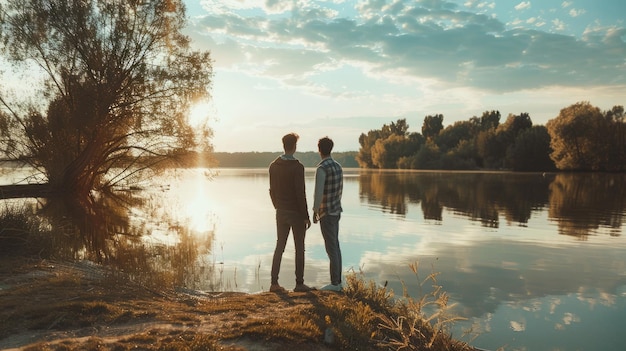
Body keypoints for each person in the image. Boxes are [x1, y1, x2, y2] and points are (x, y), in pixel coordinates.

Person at [268, 133, 312, 293]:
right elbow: (301, 193)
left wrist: (278, 207)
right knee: (299, 248)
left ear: (283, 145)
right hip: (296, 213)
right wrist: (306, 216)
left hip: (281, 211)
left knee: (279, 246)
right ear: (294, 147)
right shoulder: (298, 167)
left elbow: (271, 191)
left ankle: (274, 283)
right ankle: (299, 284)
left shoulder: (273, 166)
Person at [312, 136, 344, 291]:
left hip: (326, 213)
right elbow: (339, 190)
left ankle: (335, 283)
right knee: (335, 247)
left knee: (331, 248)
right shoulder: (338, 166)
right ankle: (338, 281)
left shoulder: (322, 168)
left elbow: (318, 193)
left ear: (319, 150)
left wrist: (315, 211)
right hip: (336, 211)